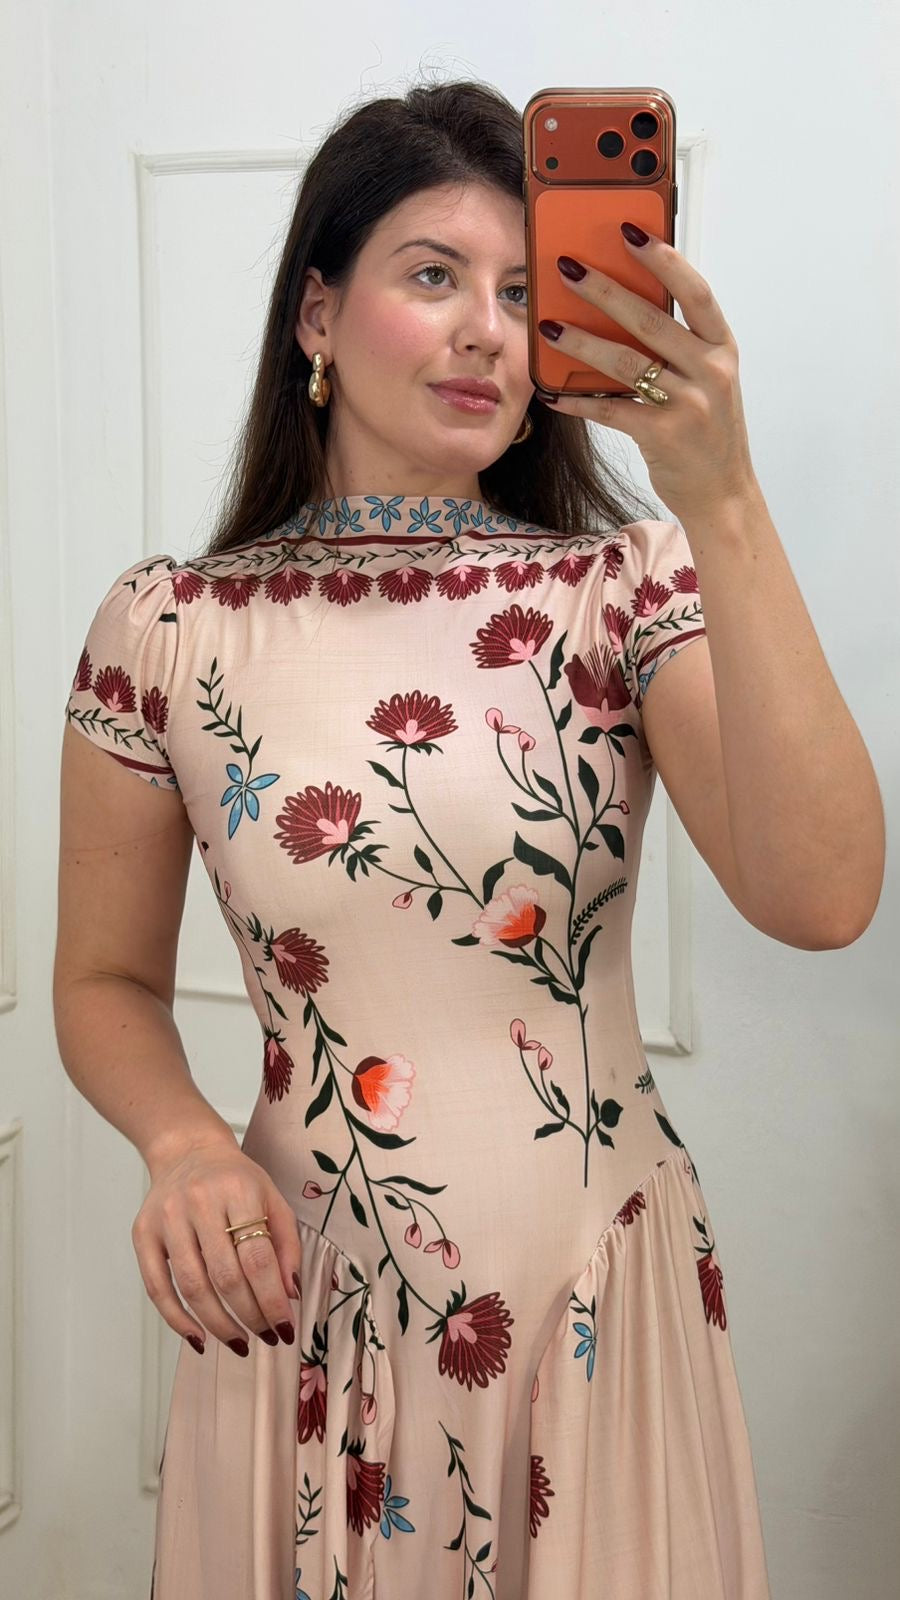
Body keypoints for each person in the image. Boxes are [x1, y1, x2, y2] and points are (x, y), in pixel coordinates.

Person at [54, 78, 883, 1600]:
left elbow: (824, 898)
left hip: (589, 1303)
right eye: (434, 275)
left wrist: (722, 497)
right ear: (317, 313)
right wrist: (180, 1144)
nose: (487, 329)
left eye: (523, 290)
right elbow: (101, 982)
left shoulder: (622, 593)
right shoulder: (169, 629)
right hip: (301, 1300)